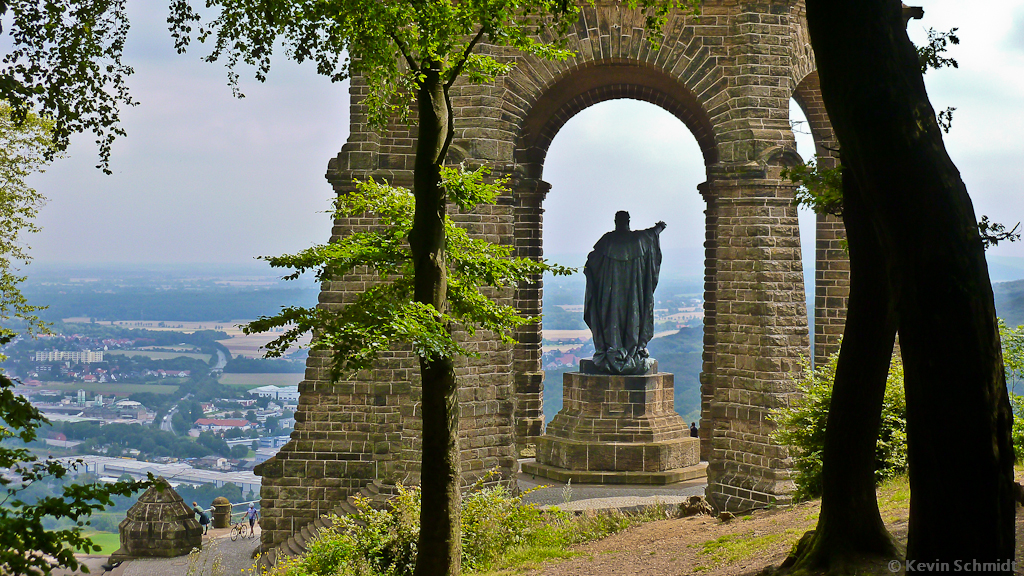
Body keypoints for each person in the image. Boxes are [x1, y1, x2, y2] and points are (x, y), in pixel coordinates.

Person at [583, 211, 666, 374]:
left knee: (611, 319)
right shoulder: (638, 239)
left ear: (616, 222)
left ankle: (613, 347)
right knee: (632, 318)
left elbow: (592, 261)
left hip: (611, 293)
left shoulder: (608, 241)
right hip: (634, 292)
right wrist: (659, 227)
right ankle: (631, 348)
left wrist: (591, 272)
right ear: (628, 221)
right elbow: (651, 234)